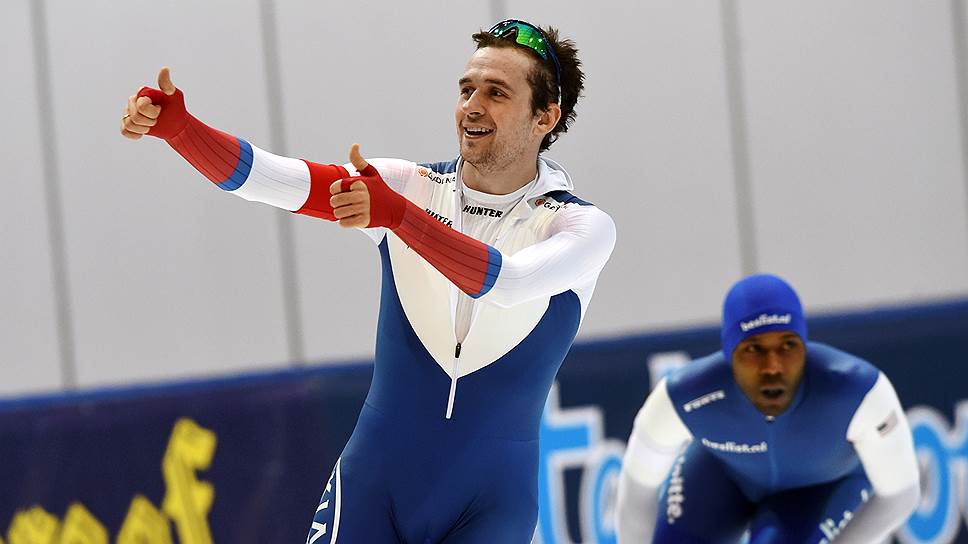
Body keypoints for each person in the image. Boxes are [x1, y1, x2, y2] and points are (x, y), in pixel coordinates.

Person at [120, 19, 615, 543]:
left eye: (496, 93)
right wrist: (182, 131)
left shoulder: (579, 227)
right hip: (373, 487)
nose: (472, 106)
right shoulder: (408, 186)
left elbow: (506, 283)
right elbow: (273, 180)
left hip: (490, 507)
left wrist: (398, 216)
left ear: (545, 116)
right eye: (466, 89)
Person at [615, 274, 920, 543]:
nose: (773, 367)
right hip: (722, 478)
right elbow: (638, 489)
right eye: (754, 349)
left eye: (788, 346)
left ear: (804, 347)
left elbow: (900, 495)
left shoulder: (857, 391)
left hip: (823, 489)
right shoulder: (683, 396)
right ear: (728, 354)